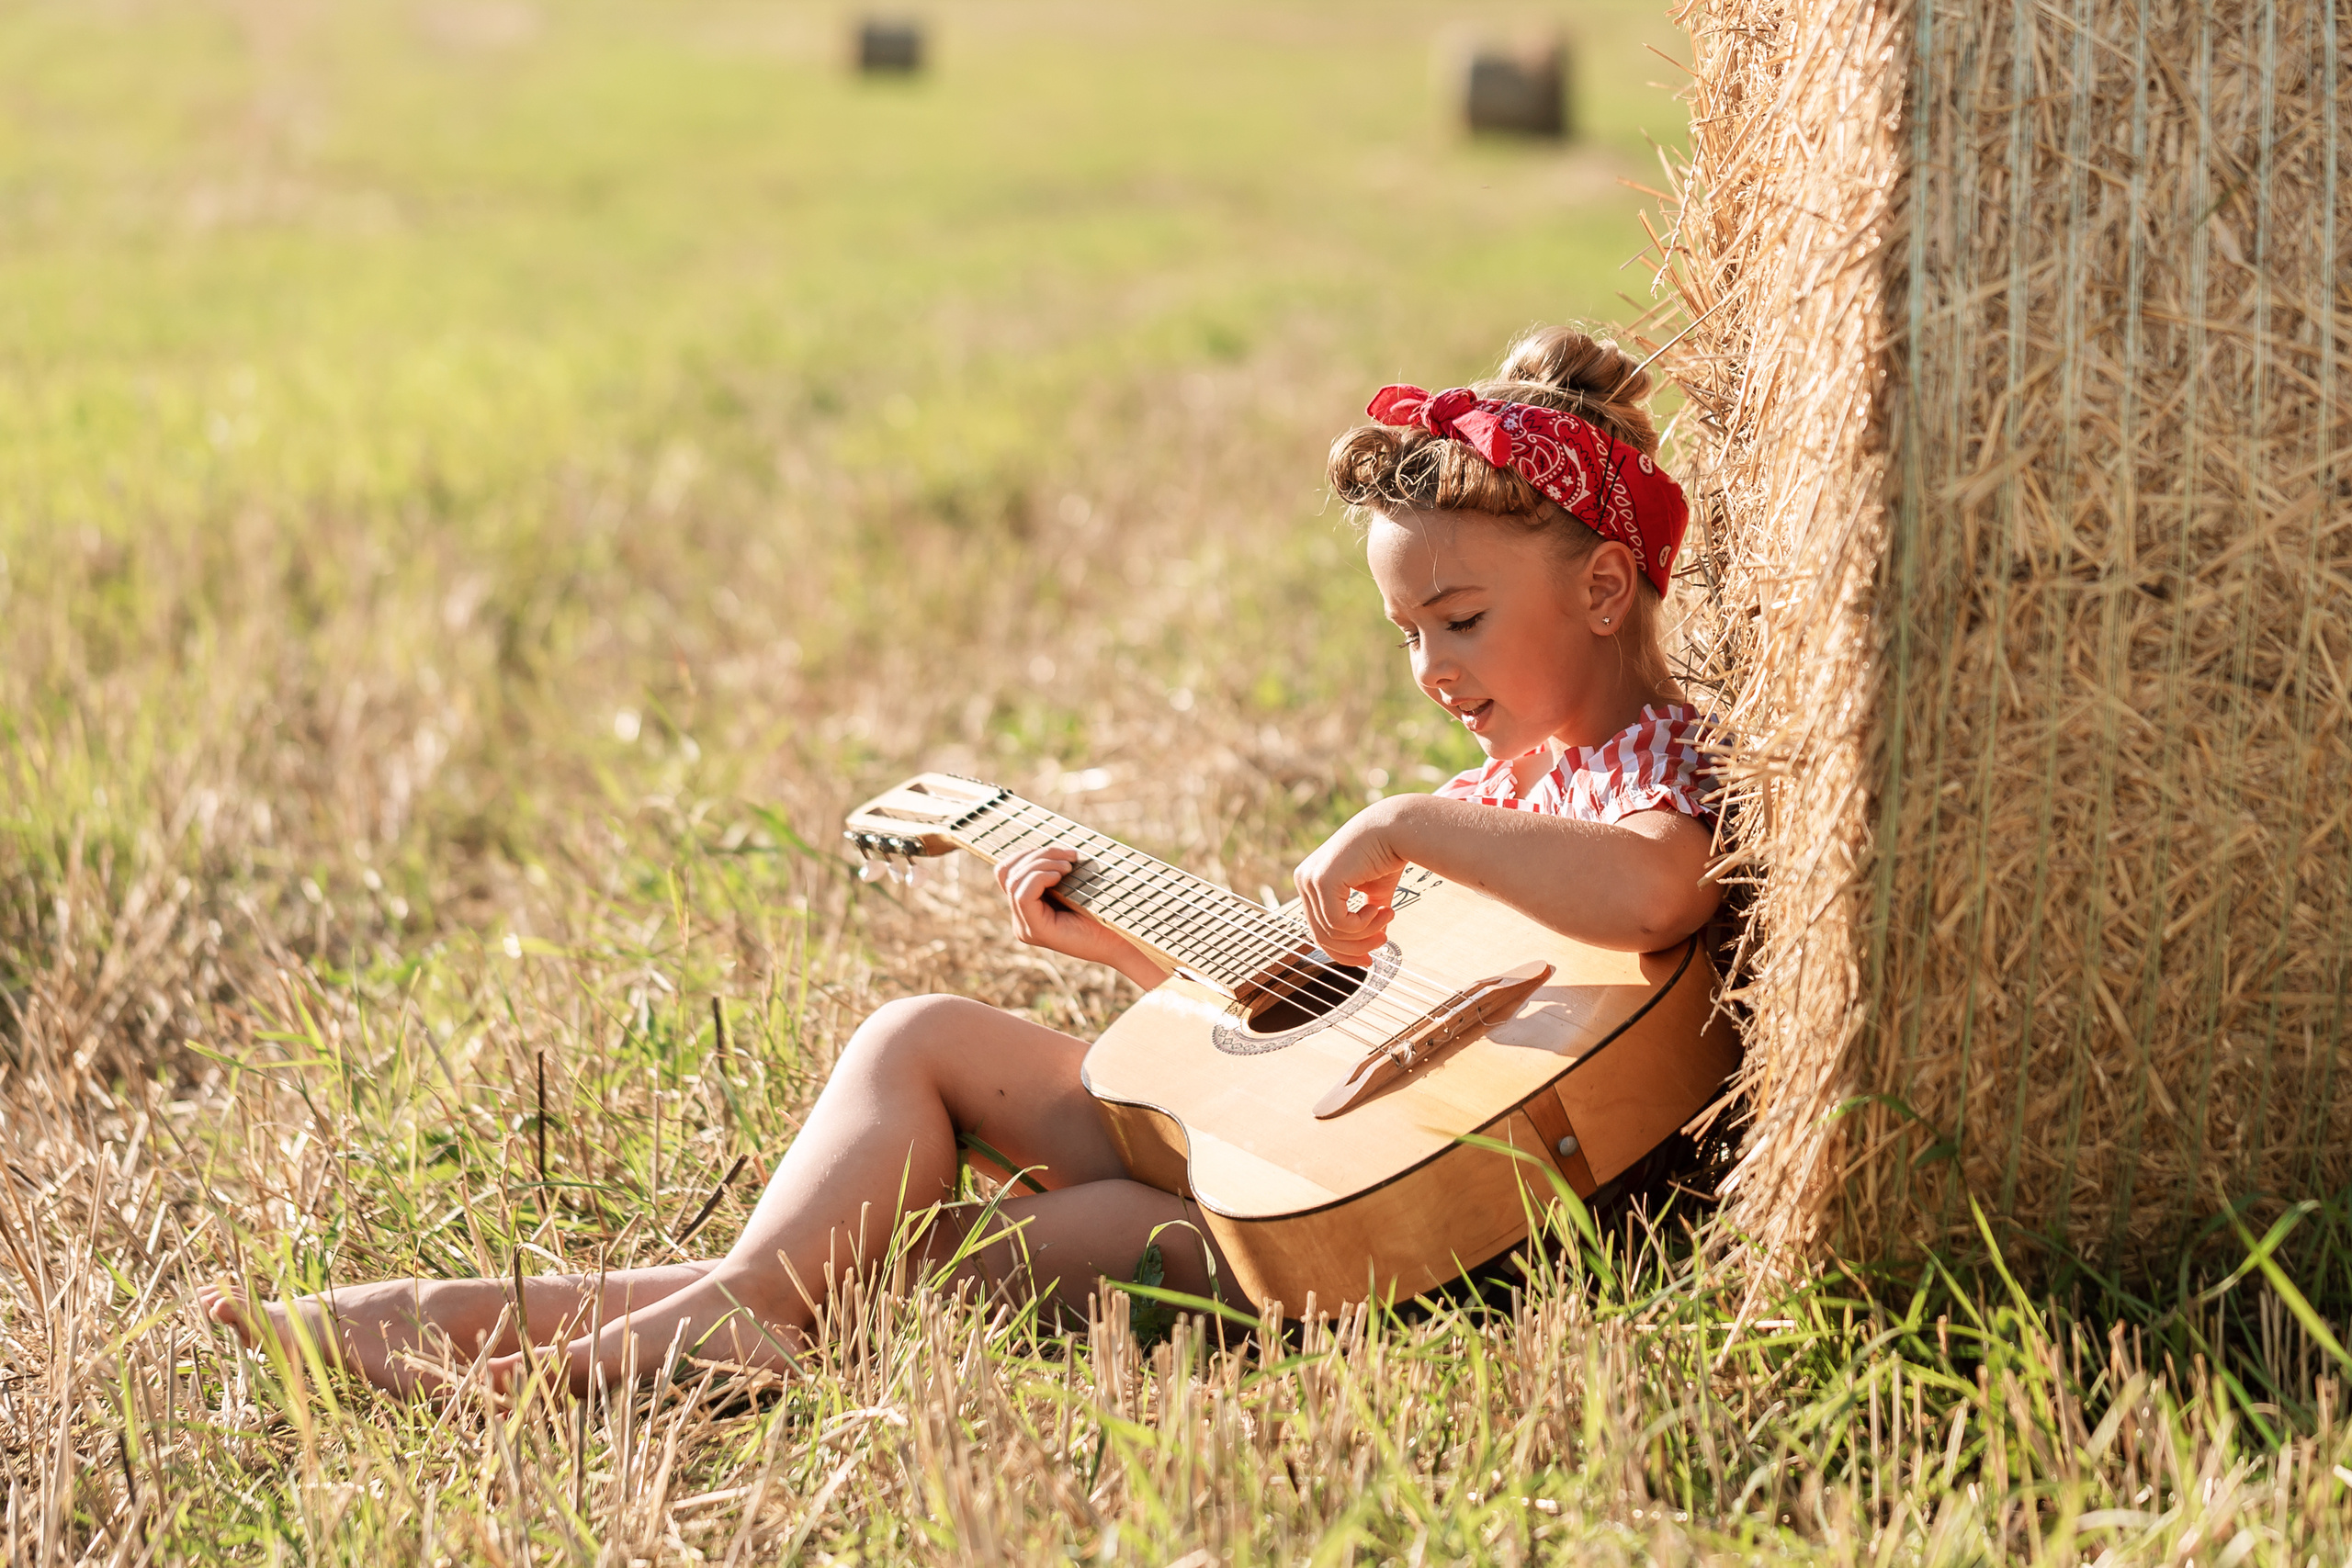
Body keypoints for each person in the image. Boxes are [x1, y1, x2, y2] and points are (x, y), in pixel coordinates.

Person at [200, 324, 1724, 1398]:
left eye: (1459, 619)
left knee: (922, 1269)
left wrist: (1402, 823)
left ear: (1604, 589)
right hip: (1302, 1152)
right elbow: (1309, 1026)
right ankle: (670, 1318)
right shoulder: (1512, 778)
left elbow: (1661, 891)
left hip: (1420, 1232)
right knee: (916, 1041)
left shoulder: (1650, 763)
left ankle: (531, 1336)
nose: (1429, 664)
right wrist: (1121, 951)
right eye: (1406, 633)